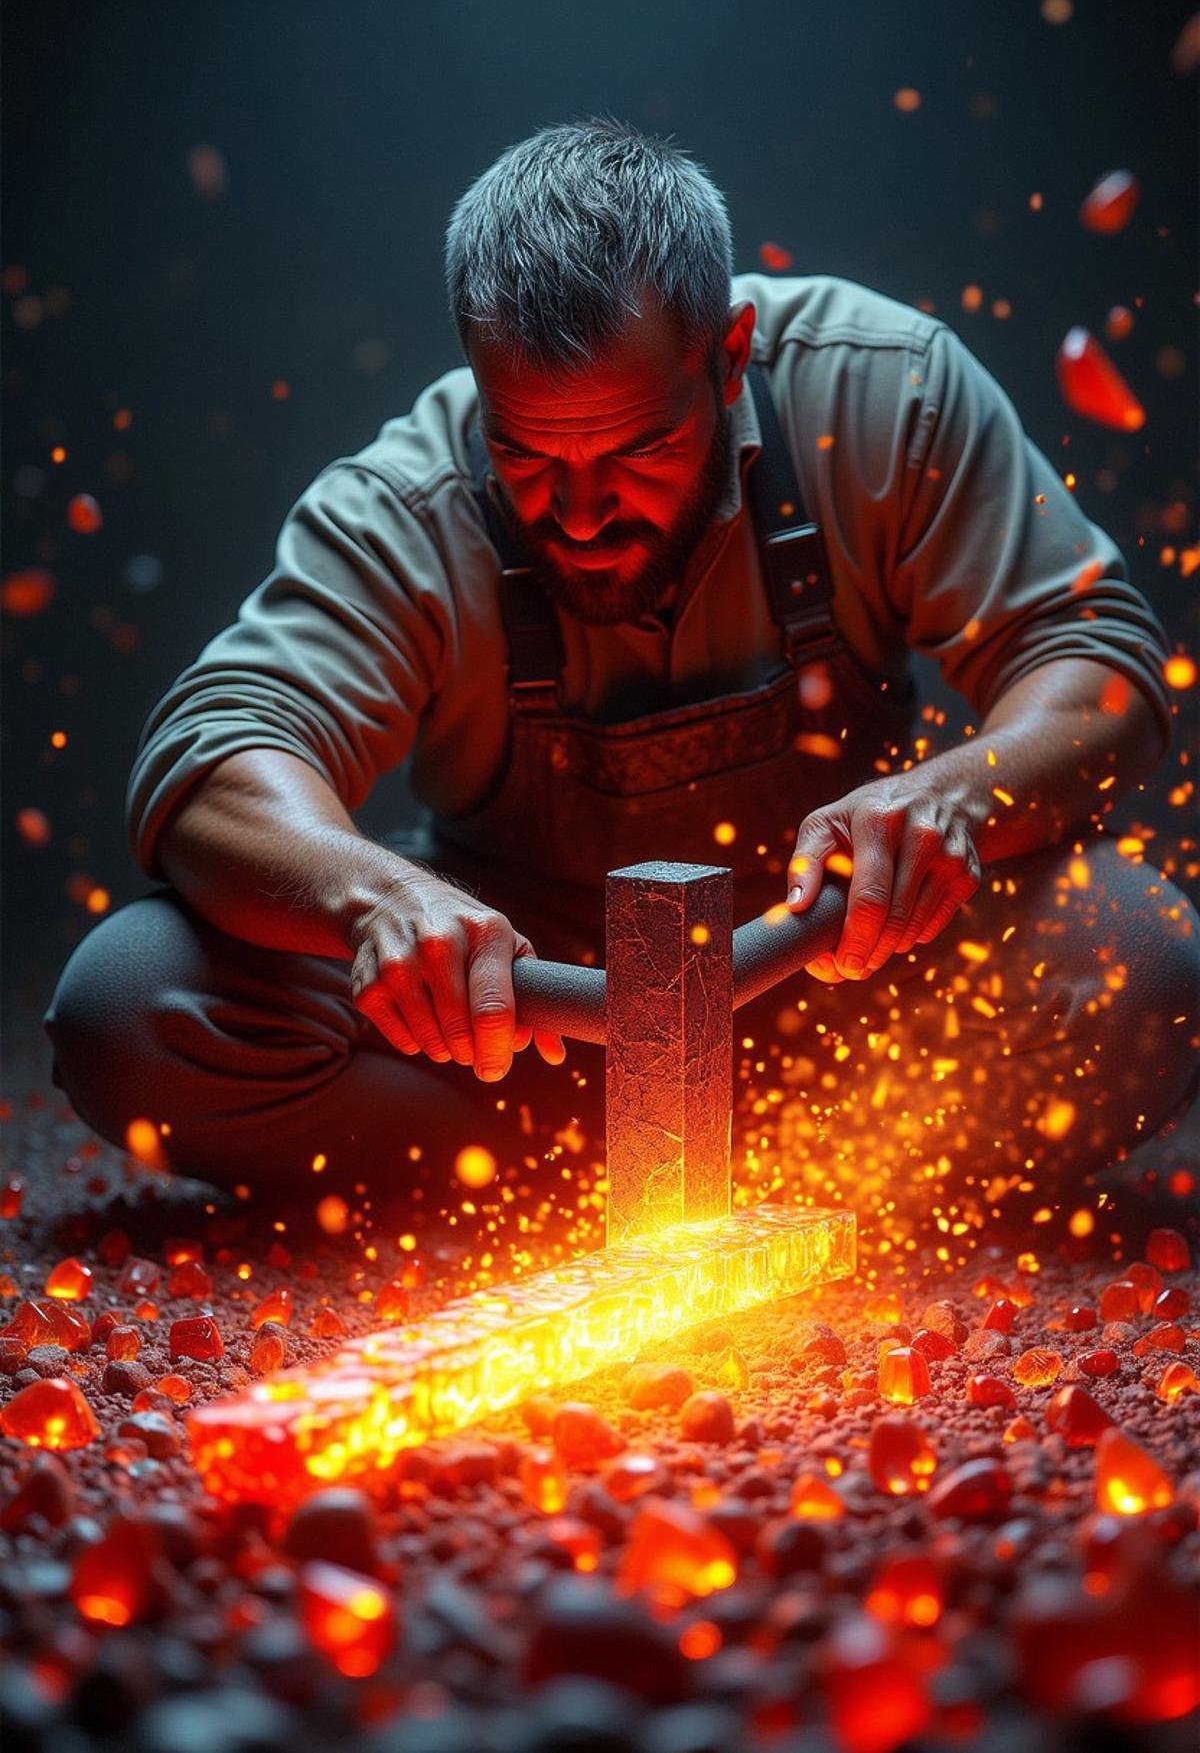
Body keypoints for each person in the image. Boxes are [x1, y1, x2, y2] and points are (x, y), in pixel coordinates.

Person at [43, 118, 1198, 1219]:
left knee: (1147, 963)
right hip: (529, 1030)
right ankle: (602, 1184)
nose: (583, 512)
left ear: (731, 356)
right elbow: (216, 754)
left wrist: (952, 793)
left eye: (642, 447)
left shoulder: (884, 391)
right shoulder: (405, 499)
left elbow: (1098, 661)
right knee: (131, 1003)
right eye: (528, 454)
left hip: (840, 987)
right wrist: (380, 901)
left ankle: (815, 1167)